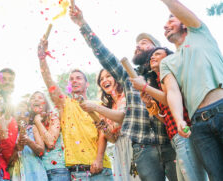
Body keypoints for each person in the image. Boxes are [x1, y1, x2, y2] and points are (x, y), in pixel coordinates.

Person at [69, 5, 177, 181]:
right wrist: (82, 24)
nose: (137, 46)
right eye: (136, 44)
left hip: (170, 141)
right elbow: (105, 56)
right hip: (142, 146)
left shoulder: (166, 75)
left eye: (143, 43)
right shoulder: (128, 76)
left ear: (157, 49)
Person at [157, 1, 223, 180]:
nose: (165, 26)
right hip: (199, 126)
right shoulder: (167, 63)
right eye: (165, 24)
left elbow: (176, 7)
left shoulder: (199, 32)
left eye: (171, 20)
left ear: (184, 23)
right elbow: (173, 92)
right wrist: (179, 120)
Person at [37, 40, 113, 180]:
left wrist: (99, 159)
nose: (74, 80)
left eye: (78, 78)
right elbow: (49, 82)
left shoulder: (98, 104)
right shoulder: (65, 104)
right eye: (71, 79)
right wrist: (42, 59)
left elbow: (104, 133)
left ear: (87, 83)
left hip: (100, 168)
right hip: (76, 172)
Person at [130, 47, 208, 181]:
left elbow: (170, 100)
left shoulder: (172, 76)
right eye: (151, 56)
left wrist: (144, 87)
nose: (152, 57)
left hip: (184, 134)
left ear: (168, 58)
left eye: (157, 54)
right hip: (176, 139)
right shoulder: (158, 84)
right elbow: (167, 120)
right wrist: (149, 105)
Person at [80, 69, 140, 181]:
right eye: (101, 79)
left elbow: (122, 117)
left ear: (116, 78)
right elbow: (112, 139)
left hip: (135, 145)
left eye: (108, 76)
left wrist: (95, 107)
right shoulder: (109, 106)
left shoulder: (126, 95)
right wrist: (104, 129)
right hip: (120, 150)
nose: (104, 80)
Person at [31, 91, 70, 181]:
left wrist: (38, 122)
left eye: (40, 97)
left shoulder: (53, 117)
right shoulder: (30, 124)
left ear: (45, 103)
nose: (36, 99)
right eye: (33, 98)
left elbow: (50, 143)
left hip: (57, 170)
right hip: (39, 171)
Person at [15, 93, 48, 181]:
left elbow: (41, 151)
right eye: (18, 113)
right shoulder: (11, 132)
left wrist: (29, 142)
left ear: (29, 117)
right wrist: (17, 148)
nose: (22, 116)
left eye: (26, 114)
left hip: (36, 173)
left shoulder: (33, 128)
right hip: (18, 174)